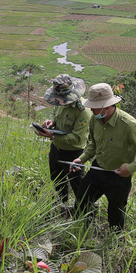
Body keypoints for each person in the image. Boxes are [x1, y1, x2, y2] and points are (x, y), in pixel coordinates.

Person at [70, 83, 136, 231]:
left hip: (119, 175)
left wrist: (130, 168)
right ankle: (82, 229)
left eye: (95, 106)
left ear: (107, 106)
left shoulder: (129, 124)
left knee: (115, 213)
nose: (91, 109)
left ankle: (114, 241)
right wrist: (83, 158)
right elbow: (93, 144)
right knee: (81, 200)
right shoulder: (95, 119)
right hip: (97, 168)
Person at [35, 74, 91, 204]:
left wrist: (52, 136)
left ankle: (84, 213)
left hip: (74, 154)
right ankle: (62, 205)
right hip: (56, 149)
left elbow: (77, 139)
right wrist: (51, 123)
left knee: (78, 186)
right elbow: (57, 117)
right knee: (57, 180)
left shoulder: (83, 111)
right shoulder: (59, 102)